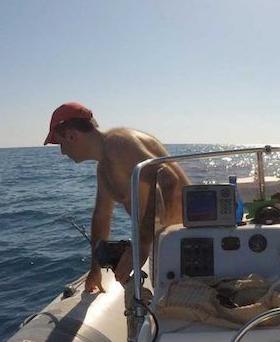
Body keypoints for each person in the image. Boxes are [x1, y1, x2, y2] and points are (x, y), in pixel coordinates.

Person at [43, 102, 190, 293]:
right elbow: (101, 217)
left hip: (189, 239)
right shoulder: (104, 168)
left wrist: (141, 245)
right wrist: (95, 269)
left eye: (61, 143)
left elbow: (167, 178)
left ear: (72, 135)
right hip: (167, 245)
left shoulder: (118, 142)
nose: (62, 152)